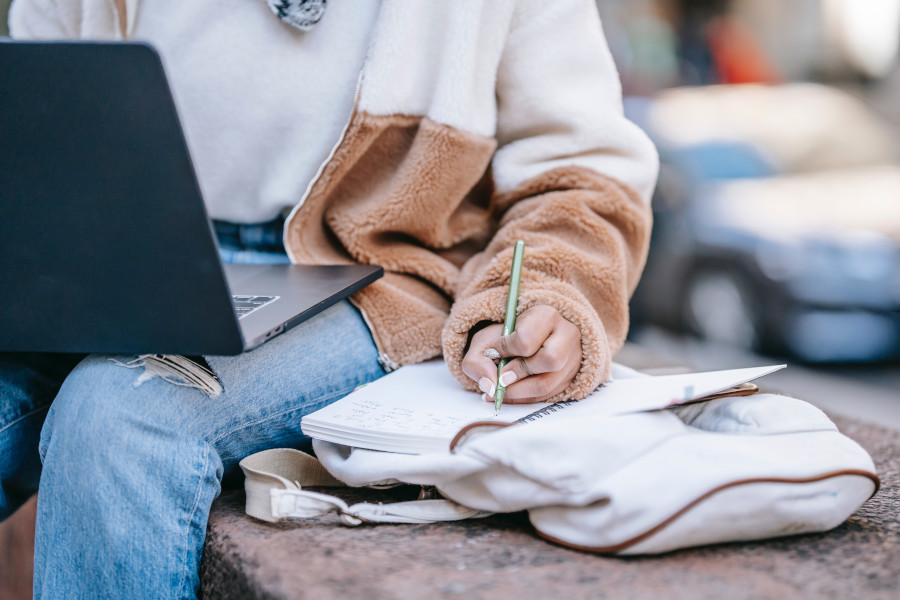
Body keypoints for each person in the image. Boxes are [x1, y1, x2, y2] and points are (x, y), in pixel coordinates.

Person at [2, 0, 658, 597]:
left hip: (379, 280)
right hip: (121, 258)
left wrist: (551, 290)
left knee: (119, 417)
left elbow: (581, 178)